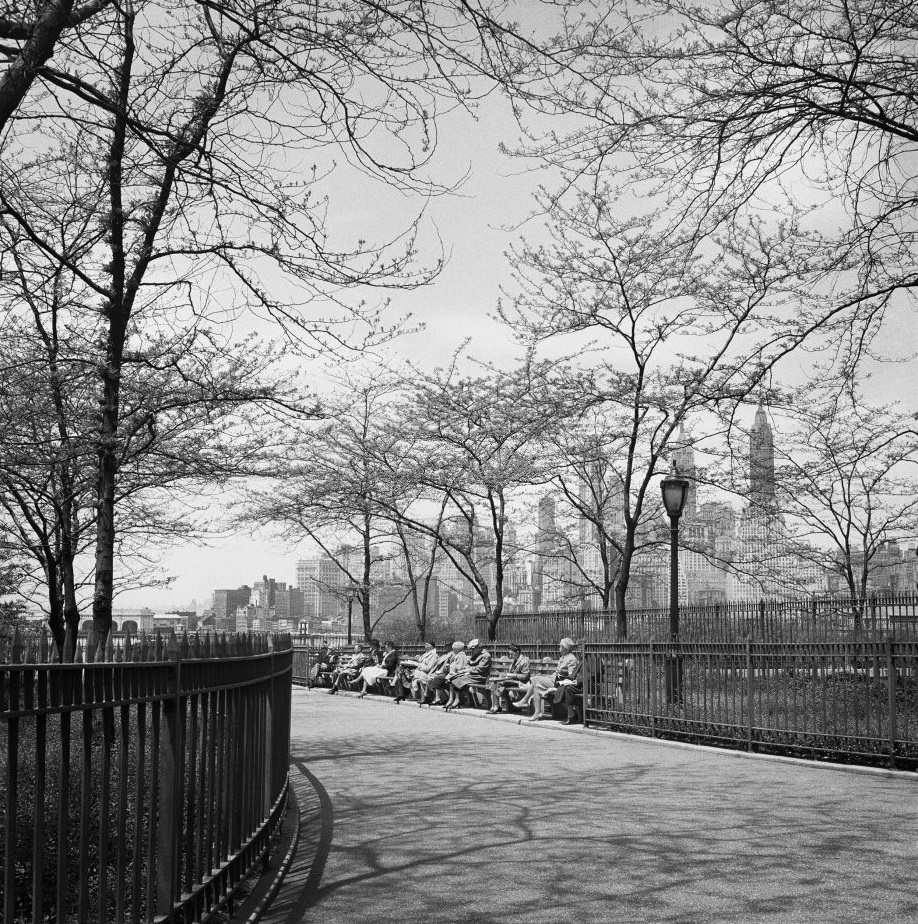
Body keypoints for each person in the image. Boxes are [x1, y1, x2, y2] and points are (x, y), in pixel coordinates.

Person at [526, 637, 579, 721]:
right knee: (536, 687)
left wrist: (559, 681)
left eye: (560, 646)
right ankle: (537, 712)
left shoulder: (571, 659)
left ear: (565, 648)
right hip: (553, 680)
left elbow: (571, 676)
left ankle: (526, 701)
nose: (559, 648)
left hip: (559, 683)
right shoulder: (563, 657)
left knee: (534, 679)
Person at [486, 643, 531, 713]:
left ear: (517, 652)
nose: (510, 656)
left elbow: (525, 676)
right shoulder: (515, 660)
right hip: (513, 681)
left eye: (511, 654)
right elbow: (511, 673)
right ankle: (495, 706)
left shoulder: (524, 661)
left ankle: (496, 706)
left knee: (498, 682)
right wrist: (505, 674)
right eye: (509, 654)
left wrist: (512, 675)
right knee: (494, 682)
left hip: (521, 683)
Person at [443, 641, 471, 711]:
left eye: (454, 649)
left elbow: (460, 667)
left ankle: (454, 699)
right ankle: (451, 699)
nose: (453, 650)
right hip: (456, 673)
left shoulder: (461, 655)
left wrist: (451, 667)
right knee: (451, 680)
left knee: (453, 680)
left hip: (460, 673)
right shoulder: (458, 655)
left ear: (458, 649)